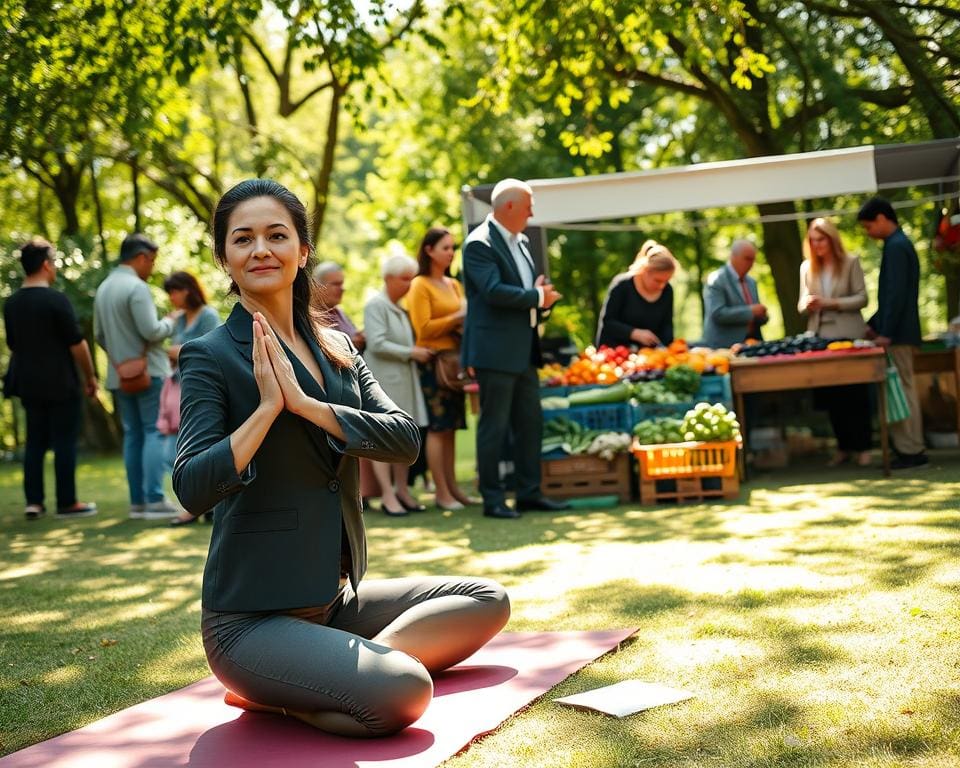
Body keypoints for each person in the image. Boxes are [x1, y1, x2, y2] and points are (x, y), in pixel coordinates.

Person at [172, 179, 510, 737]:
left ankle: (329, 669)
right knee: (403, 690)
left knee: (486, 600)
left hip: (335, 597)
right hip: (253, 620)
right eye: (243, 239)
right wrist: (264, 413)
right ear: (224, 257)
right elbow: (191, 486)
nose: (261, 249)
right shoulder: (209, 356)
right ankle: (311, 685)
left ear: (303, 251)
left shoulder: (339, 346)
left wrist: (308, 407)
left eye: (277, 235)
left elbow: (403, 438)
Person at [462, 178, 569, 519]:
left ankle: (529, 493)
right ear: (509, 207)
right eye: (528, 206)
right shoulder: (478, 244)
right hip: (494, 351)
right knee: (494, 425)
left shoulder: (522, 242)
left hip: (525, 349)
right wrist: (538, 297)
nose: (532, 213)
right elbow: (493, 291)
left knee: (530, 423)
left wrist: (543, 299)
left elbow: (526, 292)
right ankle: (493, 499)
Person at [2, 238, 98, 520]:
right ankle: (67, 502)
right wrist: (90, 376)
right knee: (64, 442)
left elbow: (12, 343)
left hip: (28, 383)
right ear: (45, 265)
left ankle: (34, 503)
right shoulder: (56, 300)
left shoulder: (12, 304)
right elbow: (77, 343)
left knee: (34, 443)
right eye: (53, 261)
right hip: (60, 382)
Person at [94, 233, 181, 519]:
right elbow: (151, 332)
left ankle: (137, 502)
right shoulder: (137, 287)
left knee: (132, 435)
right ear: (142, 257)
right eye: (152, 261)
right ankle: (154, 499)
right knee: (152, 431)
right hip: (149, 373)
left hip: (119, 375)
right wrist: (169, 322)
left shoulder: (104, 287)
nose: (152, 268)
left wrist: (120, 361)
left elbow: (99, 335)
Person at [407, 227, 480, 510]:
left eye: (452, 248)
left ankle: (453, 489)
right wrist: (457, 316)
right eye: (445, 247)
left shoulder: (454, 285)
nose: (450, 253)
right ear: (429, 250)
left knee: (451, 428)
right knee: (439, 428)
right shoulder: (420, 285)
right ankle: (441, 493)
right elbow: (422, 328)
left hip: (456, 361)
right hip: (434, 364)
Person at [858, 197, 928, 469]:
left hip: (899, 335)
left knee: (904, 389)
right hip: (899, 331)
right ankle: (908, 448)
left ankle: (912, 449)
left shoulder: (897, 247)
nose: (868, 233)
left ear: (882, 218)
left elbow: (896, 296)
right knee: (903, 388)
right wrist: (874, 324)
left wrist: (884, 332)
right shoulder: (897, 244)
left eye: (868, 226)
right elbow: (890, 297)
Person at [798, 218, 872, 467]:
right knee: (832, 396)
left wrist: (832, 303)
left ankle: (863, 447)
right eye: (813, 240)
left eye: (821, 239)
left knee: (856, 393)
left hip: (849, 334)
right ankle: (843, 447)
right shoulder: (807, 268)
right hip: (820, 337)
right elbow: (801, 303)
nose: (817, 244)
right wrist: (808, 304)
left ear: (831, 239)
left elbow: (862, 298)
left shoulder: (851, 263)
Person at [363, 253, 433, 516]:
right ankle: (388, 494)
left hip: (403, 381)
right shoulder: (376, 305)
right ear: (388, 279)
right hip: (385, 382)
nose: (409, 284)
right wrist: (412, 352)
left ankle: (402, 490)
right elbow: (377, 342)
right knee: (384, 438)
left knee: (403, 437)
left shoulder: (399, 308)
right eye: (405, 279)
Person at [160, 271, 221, 526]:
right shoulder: (180, 319)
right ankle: (198, 503)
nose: (172, 297)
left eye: (175, 291)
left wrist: (177, 350)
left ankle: (198, 506)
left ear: (188, 289)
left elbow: (213, 349)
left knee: (198, 447)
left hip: (202, 389)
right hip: (179, 389)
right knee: (171, 452)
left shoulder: (208, 316)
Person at [596, 239, 677, 348]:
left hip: (650, 357)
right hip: (615, 354)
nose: (662, 286)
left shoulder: (667, 291)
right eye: (658, 280)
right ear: (645, 271)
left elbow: (667, 327)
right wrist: (634, 333)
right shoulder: (622, 285)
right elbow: (608, 322)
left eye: (666, 281)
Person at [701, 239, 768, 348]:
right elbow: (718, 314)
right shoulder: (716, 279)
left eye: (753, 260)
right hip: (724, 347)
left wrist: (763, 315)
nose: (751, 264)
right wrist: (750, 311)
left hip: (752, 343)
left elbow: (755, 316)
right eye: (747, 259)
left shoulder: (751, 282)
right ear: (733, 256)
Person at [313, 261, 366, 352]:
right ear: (318, 286)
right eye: (336, 284)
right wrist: (351, 345)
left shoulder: (339, 313)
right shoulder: (311, 316)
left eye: (342, 283)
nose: (342, 289)